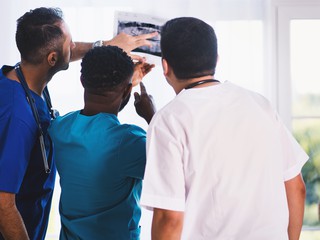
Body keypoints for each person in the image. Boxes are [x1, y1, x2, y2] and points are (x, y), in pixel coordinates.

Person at [140, 17, 308, 240]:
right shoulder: (260, 104)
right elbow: (296, 188)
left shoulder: (167, 120)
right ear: (216, 60)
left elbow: (169, 218)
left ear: (165, 66)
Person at [0, 7, 157, 240]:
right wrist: (151, 116)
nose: (74, 47)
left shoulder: (58, 125)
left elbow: (94, 109)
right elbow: (3, 205)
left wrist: (107, 48)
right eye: (70, 43)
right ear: (52, 59)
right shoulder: (20, 117)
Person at [48, 45, 155, 240]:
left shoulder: (59, 128)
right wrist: (153, 117)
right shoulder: (129, 142)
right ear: (126, 91)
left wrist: (126, 85)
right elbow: (174, 167)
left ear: (82, 81)